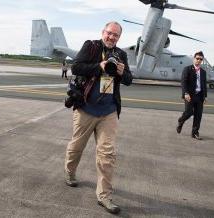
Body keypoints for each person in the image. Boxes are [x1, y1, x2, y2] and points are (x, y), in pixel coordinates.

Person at [64, 21, 132, 214]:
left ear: (119, 38)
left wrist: (122, 72)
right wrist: (100, 66)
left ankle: (104, 196)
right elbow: (76, 67)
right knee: (77, 146)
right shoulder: (91, 46)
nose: (112, 37)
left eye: (116, 35)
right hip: (85, 108)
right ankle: (69, 171)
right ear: (103, 32)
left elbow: (129, 80)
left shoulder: (121, 55)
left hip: (108, 111)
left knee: (107, 154)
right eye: (109, 33)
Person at [176, 51, 207, 140]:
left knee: (198, 115)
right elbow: (183, 82)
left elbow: (204, 85)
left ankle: (195, 133)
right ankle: (181, 121)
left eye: (201, 59)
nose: (199, 60)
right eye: (197, 58)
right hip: (189, 95)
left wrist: (205, 96)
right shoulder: (187, 69)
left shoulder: (203, 72)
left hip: (200, 96)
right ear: (194, 59)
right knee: (189, 113)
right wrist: (185, 93)